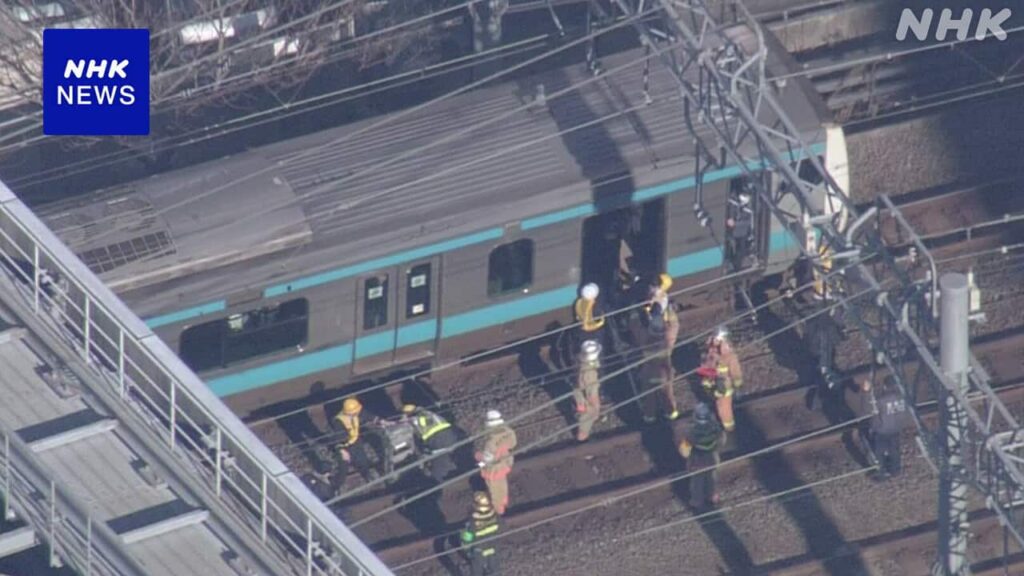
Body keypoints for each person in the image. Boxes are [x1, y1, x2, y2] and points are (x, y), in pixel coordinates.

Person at [679, 402, 724, 511]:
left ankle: (697, 502)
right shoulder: (715, 428)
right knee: (712, 479)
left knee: (696, 483)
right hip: (712, 460)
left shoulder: (692, 432)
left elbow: (685, 451)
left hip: (696, 462)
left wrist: (685, 455)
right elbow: (721, 440)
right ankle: (713, 498)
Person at [861, 378, 909, 480]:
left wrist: (867, 392)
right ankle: (895, 470)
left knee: (879, 452)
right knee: (894, 450)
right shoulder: (903, 397)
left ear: (885, 386)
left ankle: (881, 472)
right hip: (896, 428)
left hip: (882, 429)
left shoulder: (882, 399)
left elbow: (868, 409)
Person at [475, 410, 517, 515]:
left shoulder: (490, 440)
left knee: (495, 491)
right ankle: (504, 503)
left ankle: (498, 510)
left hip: (493, 470)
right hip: (504, 464)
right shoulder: (508, 432)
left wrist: (478, 459)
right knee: (502, 486)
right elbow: (512, 444)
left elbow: (487, 458)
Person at [701, 326, 743, 431]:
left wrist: (737, 387)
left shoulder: (729, 356)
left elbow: (735, 373)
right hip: (712, 386)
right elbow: (705, 367)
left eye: (716, 339)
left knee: (724, 409)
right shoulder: (710, 352)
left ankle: (729, 428)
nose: (714, 340)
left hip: (724, 388)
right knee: (719, 405)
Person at [403, 404, 458, 482]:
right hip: (449, 434)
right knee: (448, 453)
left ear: (408, 414)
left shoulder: (414, 420)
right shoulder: (429, 413)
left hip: (436, 439)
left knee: (437, 458)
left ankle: (438, 478)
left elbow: (416, 435)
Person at [332, 397, 378, 482]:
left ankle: (367, 476)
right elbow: (338, 439)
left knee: (363, 461)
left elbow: (368, 416)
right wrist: (343, 451)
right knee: (343, 469)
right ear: (350, 413)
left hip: (356, 442)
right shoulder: (339, 422)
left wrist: (379, 420)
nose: (358, 412)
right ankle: (336, 485)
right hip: (345, 446)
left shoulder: (357, 413)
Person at [461, 491, 502, 576]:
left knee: (477, 572)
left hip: (479, 552)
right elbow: (502, 529)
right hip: (493, 548)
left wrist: (467, 551)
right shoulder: (496, 516)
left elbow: (466, 539)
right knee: (495, 570)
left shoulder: (471, 522)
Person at [574, 340, 602, 441]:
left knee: (583, 414)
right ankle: (582, 442)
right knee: (586, 420)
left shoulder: (580, 361)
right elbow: (592, 395)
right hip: (584, 400)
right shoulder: (590, 373)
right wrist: (595, 410)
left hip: (579, 396)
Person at [725, 192, 754, 271]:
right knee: (729, 247)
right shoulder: (733, 204)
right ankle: (730, 262)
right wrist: (729, 220)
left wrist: (735, 223)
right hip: (732, 232)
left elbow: (748, 222)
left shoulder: (749, 210)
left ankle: (736, 266)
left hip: (742, 233)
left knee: (740, 251)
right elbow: (729, 213)